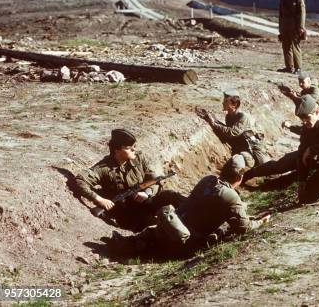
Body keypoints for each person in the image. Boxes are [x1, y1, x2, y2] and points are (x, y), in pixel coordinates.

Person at [109, 155, 270, 255]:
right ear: (240, 178)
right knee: (222, 229)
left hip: (170, 226)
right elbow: (243, 227)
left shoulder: (207, 180)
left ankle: (126, 245)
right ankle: (133, 248)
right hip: (185, 244)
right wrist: (259, 222)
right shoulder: (230, 196)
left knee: (154, 234)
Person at [245, 96, 319, 206]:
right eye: (301, 119)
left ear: (317, 112)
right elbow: (302, 153)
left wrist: (312, 149)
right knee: (306, 197)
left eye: (306, 117)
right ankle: (249, 174)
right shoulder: (307, 127)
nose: (304, 122)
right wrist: (302, 180)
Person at [75, 129, 184, 231]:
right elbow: (80, 180)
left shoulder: (139, 158)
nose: (134, 150)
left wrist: (147, 193)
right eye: (128, 148)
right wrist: (99, 200)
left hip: (146, 200)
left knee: (172, 196)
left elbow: (154, 179)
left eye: (134, 146)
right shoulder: (103, 168)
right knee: (151, 224)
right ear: (116, 150)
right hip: (128, 211)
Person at [196, 89, 270, 168]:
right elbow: (227, 131)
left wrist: (214, 124)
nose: (223, 103)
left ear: (234, 105)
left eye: (226, 101)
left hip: (253, 150)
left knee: (264, 166)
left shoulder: (243, 117)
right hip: (241, 147)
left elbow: (232, 132)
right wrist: (211, 119)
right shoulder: (228, 116)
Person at [278, 0, 306, 73]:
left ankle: (298, 68)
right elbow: (281, 14)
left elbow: (302, 13)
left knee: (295, 47)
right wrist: (280, 28)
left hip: (295, 26)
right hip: (285, 26)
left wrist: (301, 27)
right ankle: (289, 67)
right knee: (286, 46)